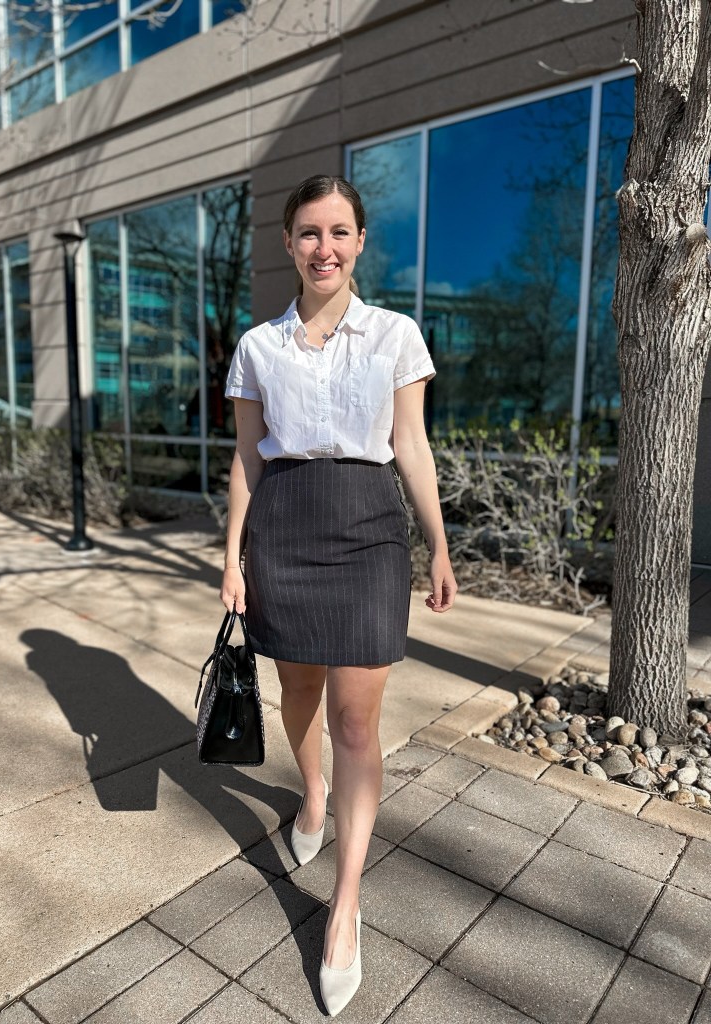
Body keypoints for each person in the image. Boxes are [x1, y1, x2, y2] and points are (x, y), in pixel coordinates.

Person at [220, 174, 457, 1016]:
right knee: (298, 691)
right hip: (283, 526)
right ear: (288, 245)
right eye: (310, 233)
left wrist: (437, 541)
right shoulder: (257, 347)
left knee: (358, 718)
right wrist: (233, 555)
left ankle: (345, 905)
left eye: (341, 232)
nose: (325, 247)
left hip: (366, 528)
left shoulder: (395, 335)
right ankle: (311, 791)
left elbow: (412, 445)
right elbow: (248, 459)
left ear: (360, 243)